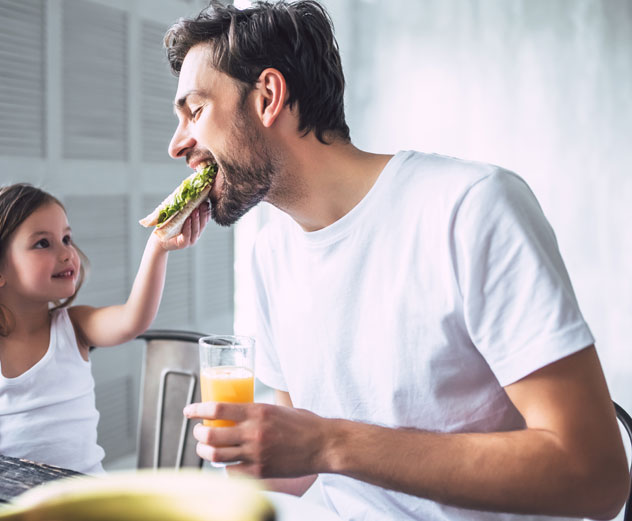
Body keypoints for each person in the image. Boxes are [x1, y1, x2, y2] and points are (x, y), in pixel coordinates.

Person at [167, 1, 630, 519]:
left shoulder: (471, 207)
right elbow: (299, 471)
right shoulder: (270, 254)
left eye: (195, 110)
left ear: (269, 97)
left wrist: (330, 443)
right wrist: (249, 449)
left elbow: (597, 477)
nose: (177, 144)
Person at [0, 183, 208, 474]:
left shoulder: (74, 326)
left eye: (67, 238)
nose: (68, 253)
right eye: (43, 243)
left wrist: (158, 246)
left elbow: (133, 319)